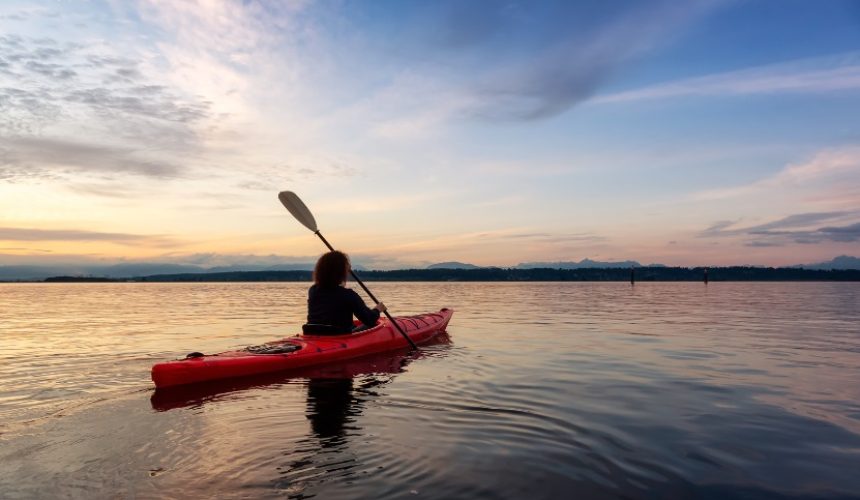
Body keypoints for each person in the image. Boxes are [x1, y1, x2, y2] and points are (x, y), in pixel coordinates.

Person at [304, 250, 386, 335]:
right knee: (373, 324)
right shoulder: (348, 295)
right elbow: (369, 319)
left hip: (312, 334)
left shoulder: (313, 290)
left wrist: (340, 282)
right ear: (341, 272)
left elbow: (332, 294)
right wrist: (378, 309)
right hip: (338, 336)